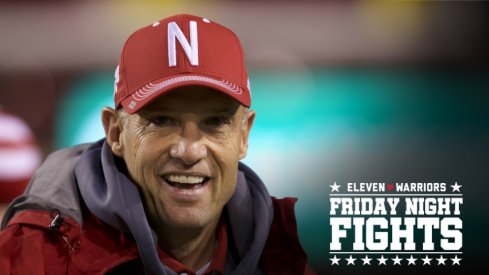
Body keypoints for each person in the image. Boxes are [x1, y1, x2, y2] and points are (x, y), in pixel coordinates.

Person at [0, 14, 314, 274]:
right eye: (161, 121)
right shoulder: (33, 258)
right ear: (115, 133)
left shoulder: (286, 258)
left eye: (215, 122)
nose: (189, 151)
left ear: (244, 135)